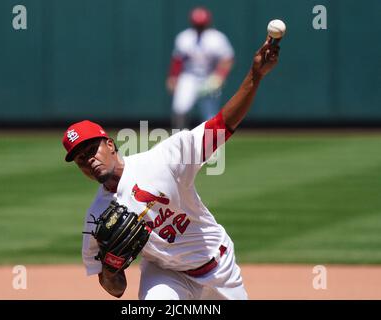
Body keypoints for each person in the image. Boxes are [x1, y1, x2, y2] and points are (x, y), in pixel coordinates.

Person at [62, 35, 280, 299]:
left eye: (91, 150)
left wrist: (255, 76)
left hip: (220, 267)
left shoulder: (163, 159)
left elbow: (221, 126)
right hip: (166, 275)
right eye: (81, 159)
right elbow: (116, 290)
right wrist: (110, 269)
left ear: (110, 144)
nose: (89, 160)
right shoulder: (96, 217)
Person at [166, 7, 235, 129]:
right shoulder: (185, 37)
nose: (199, 27)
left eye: (201, 24)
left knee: (210, 116)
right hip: (189, 77)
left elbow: (227, 59)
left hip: (209, 77)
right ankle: (178, 140)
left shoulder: (217, 38)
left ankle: (213, 146)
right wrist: (173, 77)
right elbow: (177, 60)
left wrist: (220, 76)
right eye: (197, 24)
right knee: (180, 109)